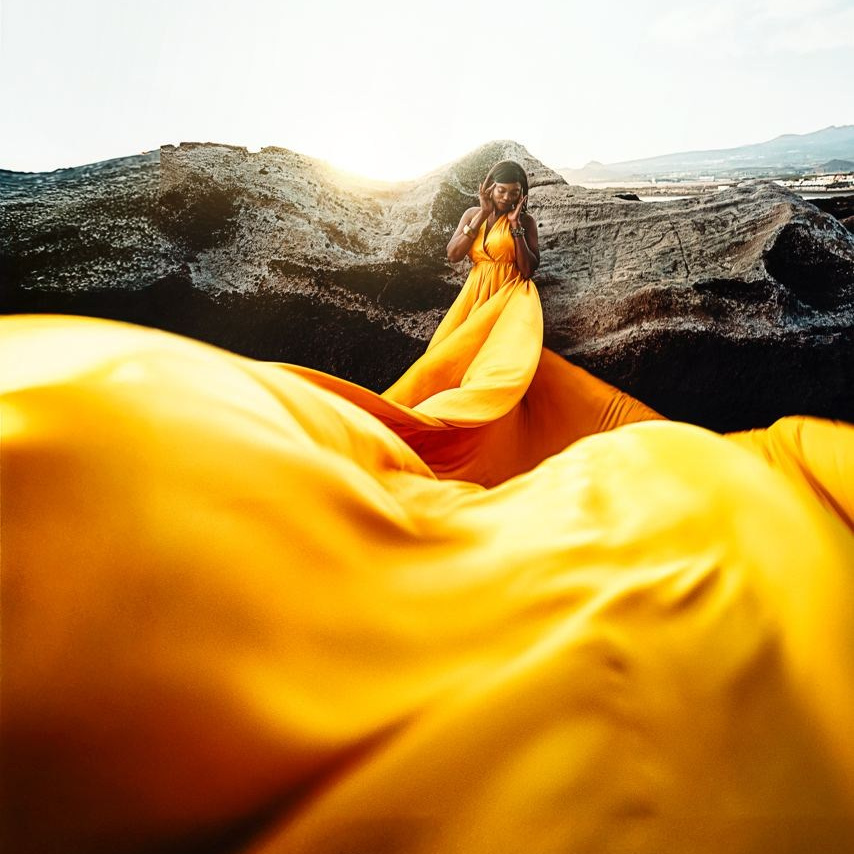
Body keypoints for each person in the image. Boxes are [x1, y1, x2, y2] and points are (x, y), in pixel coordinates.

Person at [2, 161, 853, 854]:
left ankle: (485, 432)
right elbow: (455, 259)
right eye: (499, 192)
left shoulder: (519, 228)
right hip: (468, 301)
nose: (506, 200)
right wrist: (468, 224)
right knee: (430, 387)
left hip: (506, 301)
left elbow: (529, 271)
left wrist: (515, 236)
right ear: (489, 189)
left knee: (495, 382)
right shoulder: (473, 219)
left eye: (513, 194)